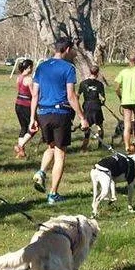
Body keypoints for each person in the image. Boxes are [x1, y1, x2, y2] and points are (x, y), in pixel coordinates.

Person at [29, 37, 88, 203]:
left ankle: (41, 172)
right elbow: (71, 96)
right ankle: (53, 194)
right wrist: (82, 117)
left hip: (43, 113)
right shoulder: (68, 68)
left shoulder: (41, 67)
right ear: (67, 49)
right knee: (60, 153)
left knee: (51, 146)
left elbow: (35, 94)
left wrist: (32, 118)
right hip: (60, 113)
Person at [114, 54, 135, 152]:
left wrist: (120, 96)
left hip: (126, 101)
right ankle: (134, 143)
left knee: (127, 124)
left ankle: (127, 146)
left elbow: (116, 87)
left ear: (128, 60)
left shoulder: (123, 72)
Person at [78, 64, 106, 151]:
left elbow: (77, 96)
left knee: (87, 127)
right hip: (96, 106)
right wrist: (102, 102)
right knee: (100, 126)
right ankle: (100, 146)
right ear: (97, 73)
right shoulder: (100, 84)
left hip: (87, 107)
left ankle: (84, 148)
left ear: (90, 72)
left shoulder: (83, 83)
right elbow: (103, 98)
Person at [13, 59, 35, 158]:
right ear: (29, 67)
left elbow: (19, 91)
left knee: (23, 128)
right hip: (27, 106)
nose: (32, 69)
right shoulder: (29, 79)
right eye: (32, 67)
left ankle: (21, 152)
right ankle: (20, 145)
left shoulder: (19, 78)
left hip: (18, 105)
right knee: (34, 127)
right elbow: (33, 95)